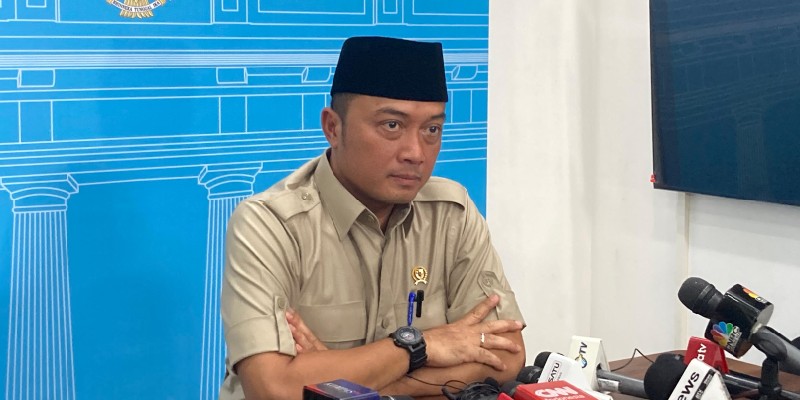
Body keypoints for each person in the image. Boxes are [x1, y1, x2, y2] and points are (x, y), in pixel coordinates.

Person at [219, 36, 526, 400]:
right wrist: (422, 345)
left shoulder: (451, 213)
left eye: (431, 130)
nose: (415, 153)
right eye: (392, 126)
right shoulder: (270, 224)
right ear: (333, 128)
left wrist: (347, 381)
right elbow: (275, 388)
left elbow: (507, 356)